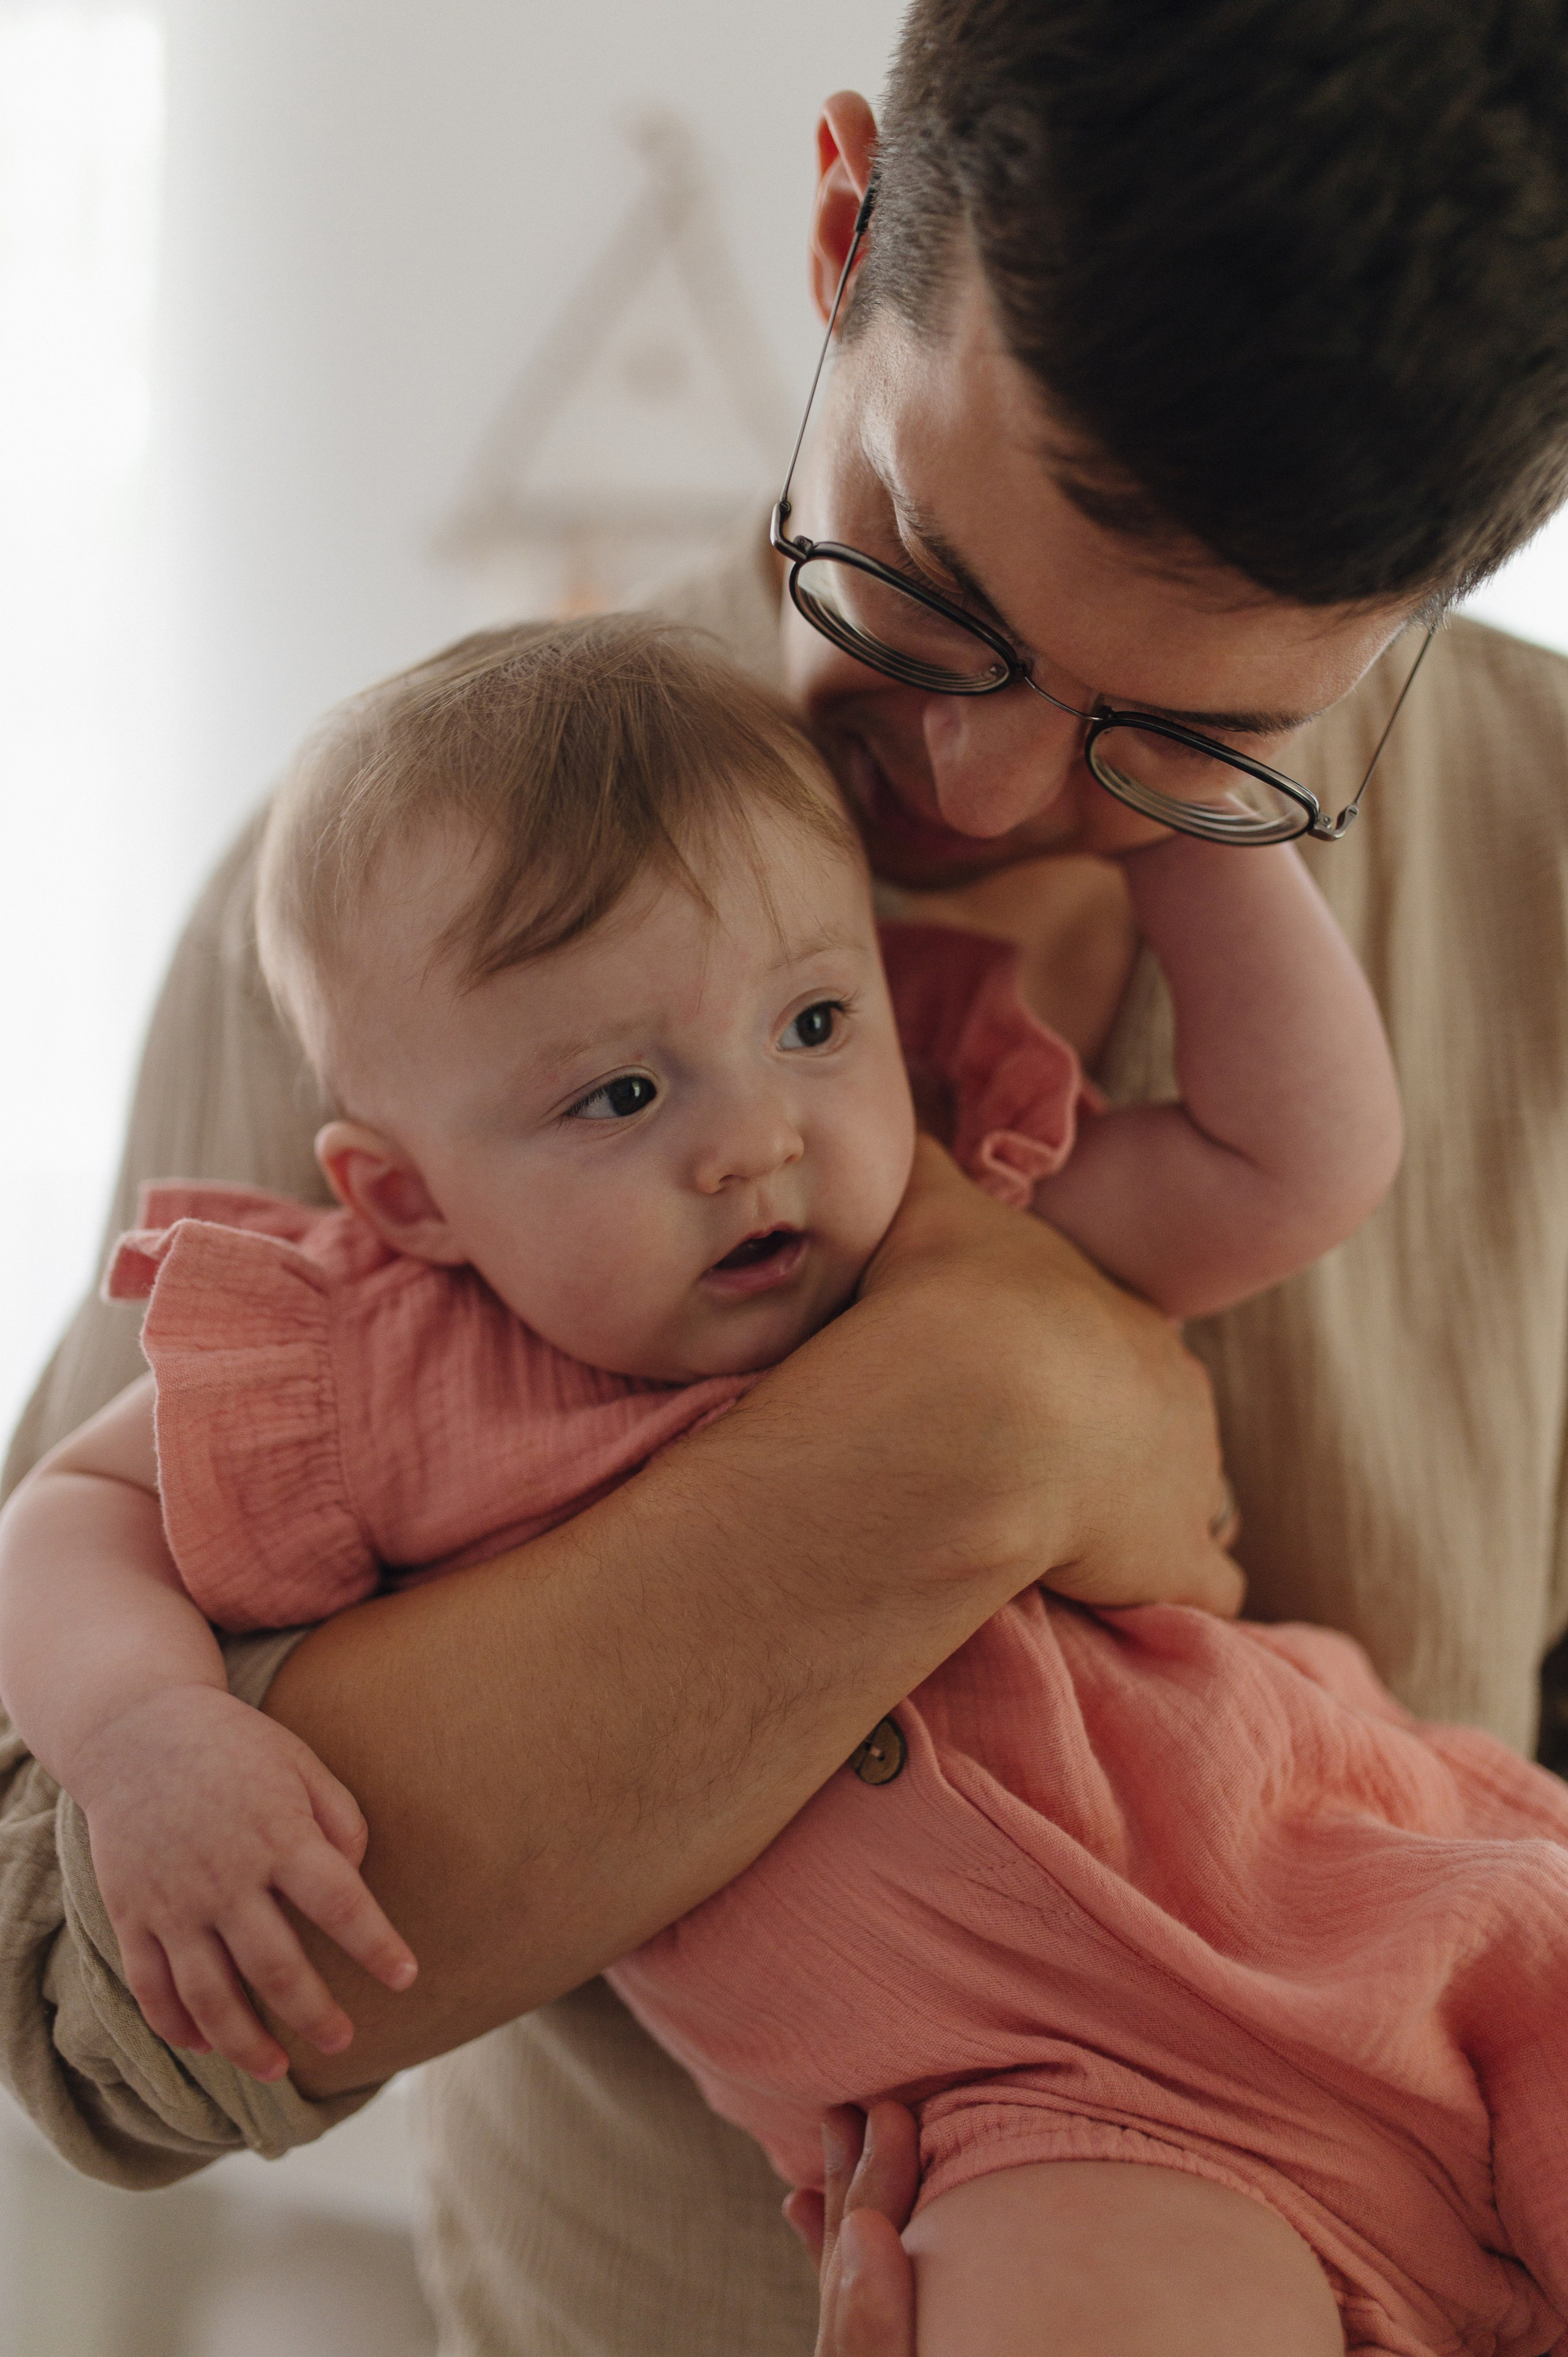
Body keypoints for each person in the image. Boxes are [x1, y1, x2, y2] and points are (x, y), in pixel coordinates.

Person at [6, 2, 1568, 2350]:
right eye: (925, 577)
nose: (983, 776)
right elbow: (81, 2019)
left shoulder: (1528, 884)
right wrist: (972, 1436)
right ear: (844, 226)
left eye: (1203, 736)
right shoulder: (409, 956)